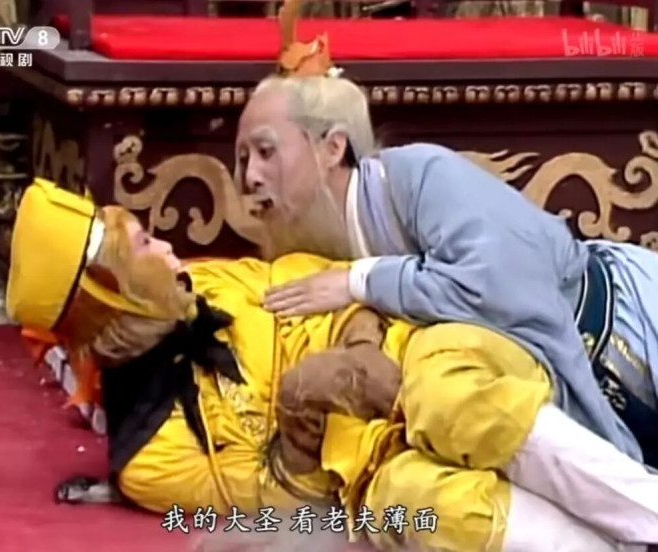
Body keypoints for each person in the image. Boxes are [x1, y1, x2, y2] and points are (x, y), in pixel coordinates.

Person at [6, 178, 658, 551]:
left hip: (416, 355)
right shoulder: (150, 457)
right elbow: (274, 505)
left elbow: (334, 285)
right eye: (147, 243)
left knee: (452, 403)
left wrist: (358, 350)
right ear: (113, 293)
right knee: (434, 507)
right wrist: (300, 421)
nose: (170, 245)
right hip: (364, 474)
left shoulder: (215, 282)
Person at [234, 0, 658, 531]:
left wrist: (363, 281)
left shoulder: (418, 175)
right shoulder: (312, 255)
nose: (248, 177)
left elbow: (494, 285)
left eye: (265, 152)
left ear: (332, 148)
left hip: (621, 331)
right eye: (241, 159)